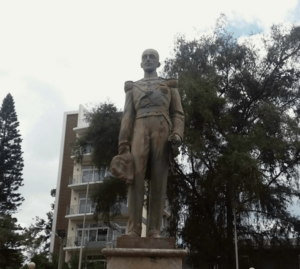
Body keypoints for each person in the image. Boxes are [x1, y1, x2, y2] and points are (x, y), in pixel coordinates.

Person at [112, 49, 184, 237]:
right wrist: (124, 145)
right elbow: (127, 116)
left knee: (159, 181)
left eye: (153, 57)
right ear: (141, 63)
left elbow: (178, 113)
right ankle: (134, 229)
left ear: (158, 63)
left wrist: (177, 133)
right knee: (135, 179)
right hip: (139, 129)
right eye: (145, 57)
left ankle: (154, 230)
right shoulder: (133, 87)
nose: (149, 59)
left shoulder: (169, 85)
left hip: (162, 130)